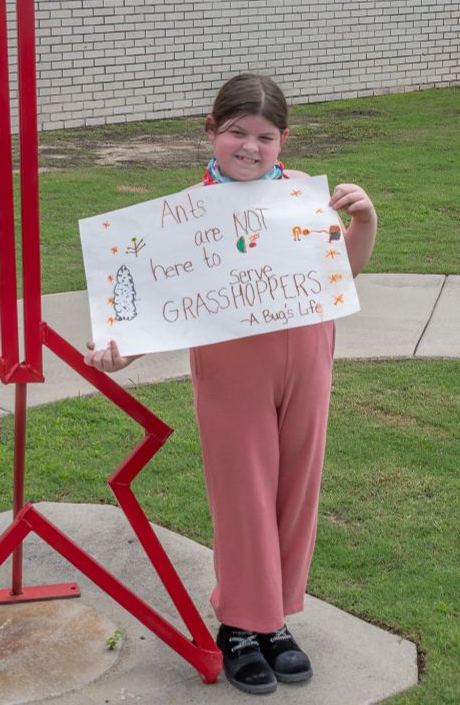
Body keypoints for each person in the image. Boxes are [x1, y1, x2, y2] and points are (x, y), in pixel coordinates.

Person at [85, 73, 377, 696]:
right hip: (232, 367)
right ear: (211, 131)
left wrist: (363, 221)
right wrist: (120, 353)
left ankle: (277, 622)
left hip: (308, 356)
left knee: (297, 486)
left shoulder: (304, 197)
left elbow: (343, 272)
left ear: (284, 140)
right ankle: (242, 625)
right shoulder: (183, 215)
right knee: (243, 492)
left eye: (265, 137)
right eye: (237, 133)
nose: (250, 147)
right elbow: (162, 300)